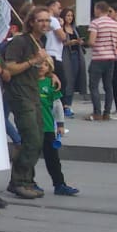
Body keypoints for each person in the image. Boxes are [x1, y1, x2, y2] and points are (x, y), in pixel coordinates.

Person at [0, 5, 51, 200]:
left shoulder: (41, 40)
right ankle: (18, 181)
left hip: (33, 91)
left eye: (47, 20)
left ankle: (28, 179)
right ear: (31, 22)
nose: (45, 24)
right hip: (20, 95)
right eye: (41, 20)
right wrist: (32, 61)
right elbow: (10, 68)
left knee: (39, 137)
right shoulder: (20, 42)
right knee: (31, 138)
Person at [36, 58, 79, 197]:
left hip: (48, 127)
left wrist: (60, 124)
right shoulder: (29, 83)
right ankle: (27, 181)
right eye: (39, 64)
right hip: (33, 126)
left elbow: (57, 106)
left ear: (50, 67)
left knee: (53, 158)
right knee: (30, 157)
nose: (41, 67)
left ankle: (59, 184)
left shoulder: (51, 84)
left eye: (45, 64)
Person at [85, 2, 117, 120]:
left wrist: (94, 44)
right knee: (108, 86)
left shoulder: (95, 23)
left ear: (98, 10)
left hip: (98, 58)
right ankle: (107, 112)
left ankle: (97, 112)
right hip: (111, 58)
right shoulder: (115, 24)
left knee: (94, 86)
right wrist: (111, 46)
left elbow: (92, 41)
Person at [57, 7, 84, 116]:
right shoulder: (61, 29)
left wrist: (79, 42)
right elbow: (60, 43)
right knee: (66, 79)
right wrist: (69, 43)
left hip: (76, 55)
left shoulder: (74, 28)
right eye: (68, 15)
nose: (70, 18)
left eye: (71, 16)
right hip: (65, 56)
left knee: (73, 79)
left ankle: (69, 104)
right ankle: (64, 105)